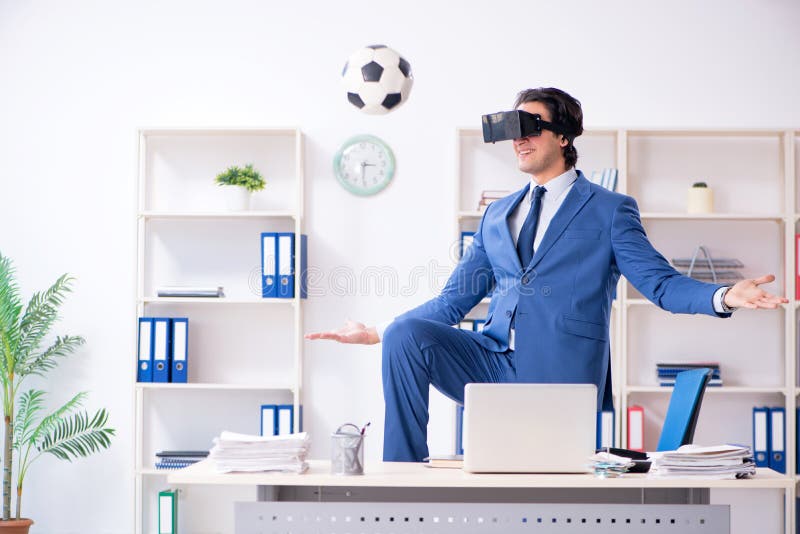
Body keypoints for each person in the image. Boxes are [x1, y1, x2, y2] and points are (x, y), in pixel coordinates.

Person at [306, 87, 787, 462]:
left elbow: (660, 284)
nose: (520, 138)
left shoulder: (610, 210)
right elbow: (453, 302)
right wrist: (380, 332)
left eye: (532, 127)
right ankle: (405, 471)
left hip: (558, 374)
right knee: (408, 335)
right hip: (492, 364)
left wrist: (724, 295)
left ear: (564, 137)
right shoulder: (497, 216)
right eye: (515, 128)